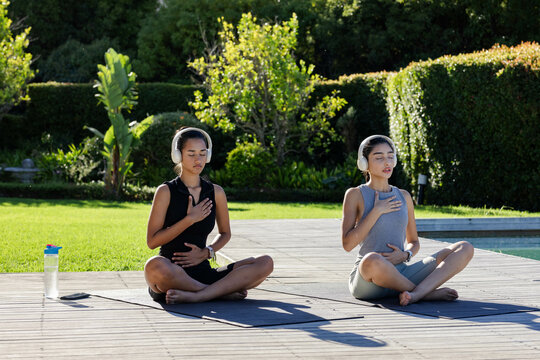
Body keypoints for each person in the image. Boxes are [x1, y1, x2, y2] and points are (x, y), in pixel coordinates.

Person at [144, 127, 273, 304]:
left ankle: (200, 295)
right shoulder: (165, 191)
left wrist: (206, 253)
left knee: (265, 262)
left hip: (205, 271)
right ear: (178, 155)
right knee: (153, 265)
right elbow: (152, 241)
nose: (198, 159)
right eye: (191, 154)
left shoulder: (216, 192)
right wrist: (189, 219)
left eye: (202, 153)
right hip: (170, 273)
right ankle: (218, 292)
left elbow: (225, 233)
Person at [342, 135, 474, 306]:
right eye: (379, 157)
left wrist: (405, 255)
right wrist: (376, 211)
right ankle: (426, 294)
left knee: (465, 247)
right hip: (369, 280)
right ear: (364, 163)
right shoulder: (355, 195)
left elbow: (414, 242)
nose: (387, 162)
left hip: (402, 273)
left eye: (390, 156)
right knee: (372, 259)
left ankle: (415, 293)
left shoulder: (404, 196)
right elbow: (347, 244)